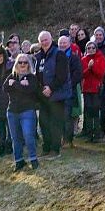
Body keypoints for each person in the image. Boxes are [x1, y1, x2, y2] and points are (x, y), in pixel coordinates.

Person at [35, 30, 70, 158]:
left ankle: (55, 149)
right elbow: (36, 75)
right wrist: (41, 89)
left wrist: (51, 88)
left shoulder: (59, 54)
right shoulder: (37, 56)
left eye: (46, 39)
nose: (44, 42)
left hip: (57, 95)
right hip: (43, 96)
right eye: (42, 40)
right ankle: (46, 147)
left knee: (56, 123)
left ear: (51, 39)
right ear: (39, 42)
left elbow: (62, 75)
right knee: (43, 122)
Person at [80, 41, 105, 143]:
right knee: (88, 111)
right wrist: (88, 68)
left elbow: (100, 74)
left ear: (96, 49)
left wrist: (93, 67)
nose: (91, 50)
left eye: (93, 48)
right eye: (88, 48)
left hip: (96, 89)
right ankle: (89, 133)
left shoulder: (101, 58)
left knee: (96, 111)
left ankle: (97, 133)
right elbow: (82, 74)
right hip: (87, 89)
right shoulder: (83, 59)